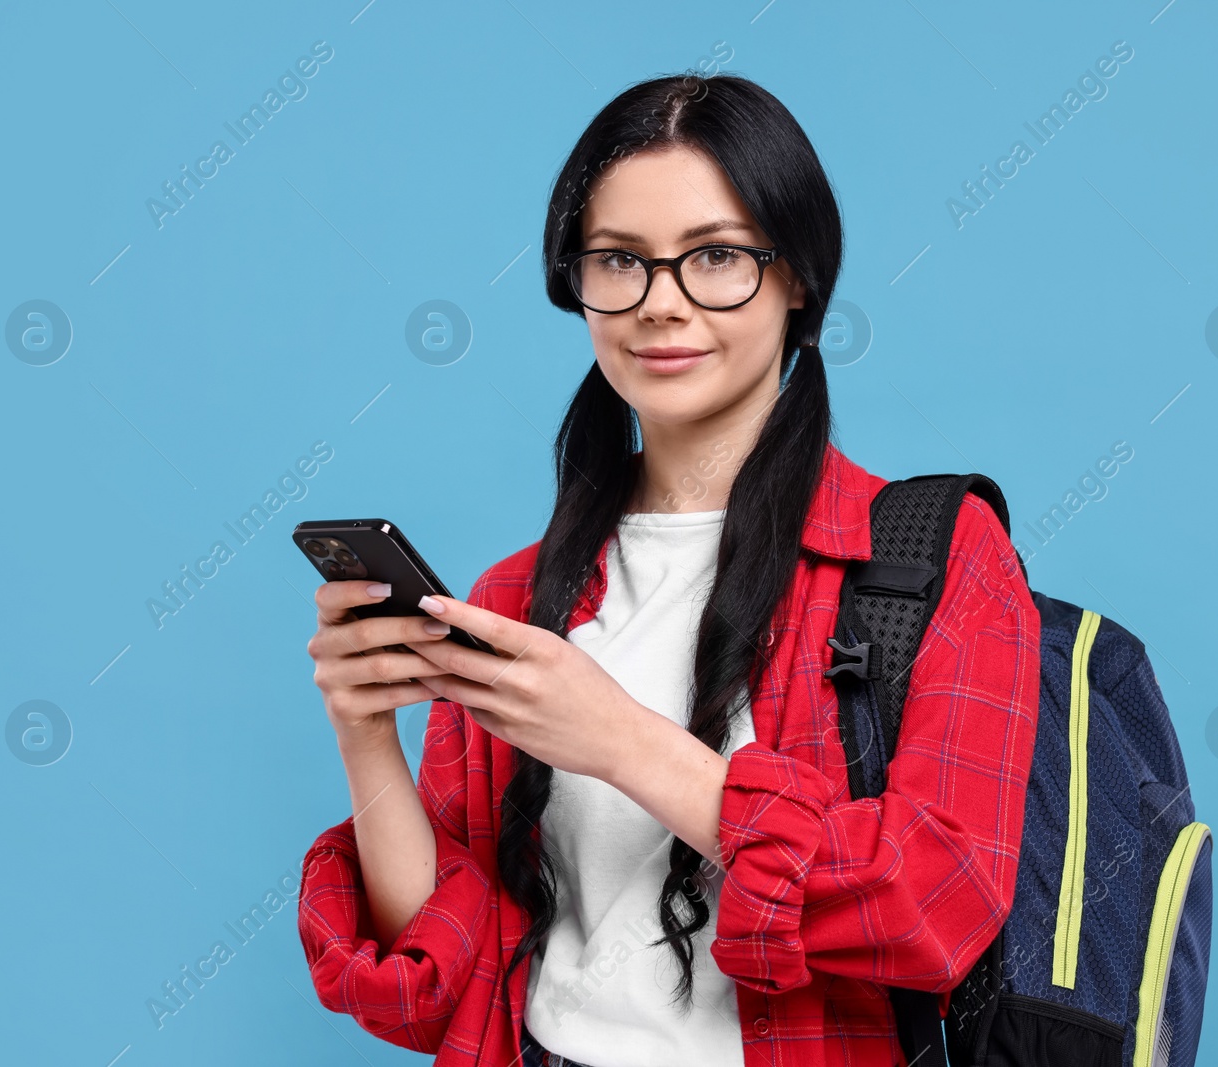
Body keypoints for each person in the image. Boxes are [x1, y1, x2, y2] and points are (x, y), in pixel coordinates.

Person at [297, 72, 1040, 1067]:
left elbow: (933, 904)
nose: (661, 302)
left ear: (799, 279)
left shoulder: (927, 560)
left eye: (717, 257)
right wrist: (365, 732)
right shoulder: (515, 599)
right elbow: (440, 980)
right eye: (620, 261)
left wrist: (620, 741)